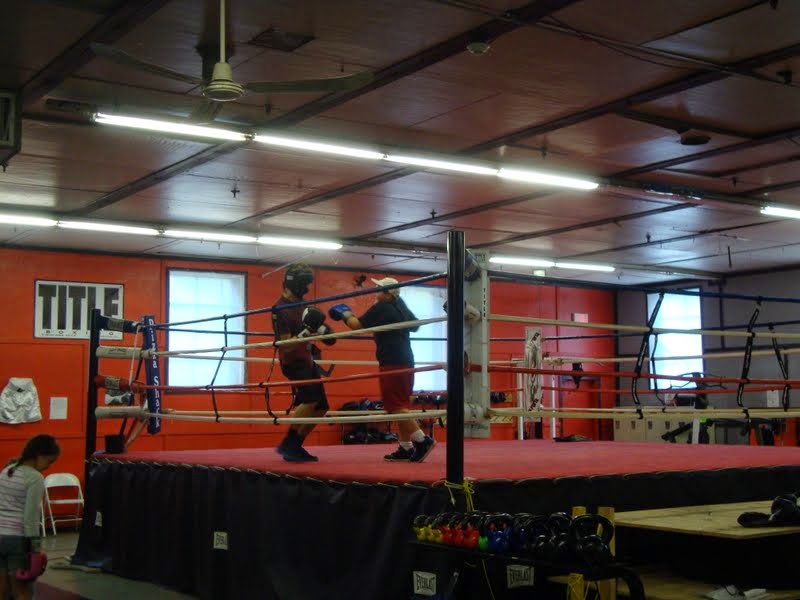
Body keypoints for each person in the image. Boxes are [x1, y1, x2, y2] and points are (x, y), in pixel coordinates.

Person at [329, 277, 435, 462]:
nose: (375, 292)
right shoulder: (400, 305)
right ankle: (405, 447)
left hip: (392, 361)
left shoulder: (382, 307)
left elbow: (357, 326)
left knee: (395, 406)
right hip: (406, 360)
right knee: (400, 405)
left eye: (379, 289)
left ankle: (422, 440)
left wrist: (345, 313)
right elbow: (416, 326)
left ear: (387, 293)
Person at [272, 263, 336, 462]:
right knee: (310, 400)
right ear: (297, 284)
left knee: (322, 406)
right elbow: (285, 346)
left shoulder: (302, 304)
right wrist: (307, 331)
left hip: (307, 360)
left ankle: (295, 445)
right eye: (305, 284)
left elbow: (315, 327)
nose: (307, 288)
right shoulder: (280, 309)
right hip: (293, 362)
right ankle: (288, 443)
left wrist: (325, 331)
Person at [0, 434, 60, 600]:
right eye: (49, 461)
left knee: (2, 591)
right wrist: (35, 548)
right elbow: (30, 517)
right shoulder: (34, 477)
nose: (48, 467)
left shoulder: (7, 470)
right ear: (39, 455)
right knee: (22, 592)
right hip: (16, 540)